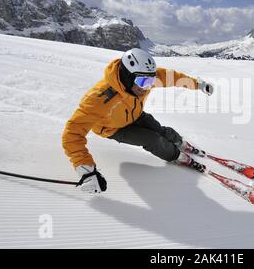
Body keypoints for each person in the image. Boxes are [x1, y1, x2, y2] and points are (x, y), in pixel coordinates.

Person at [62, 48, 214, 194]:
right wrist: (86, 170)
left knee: (158, 129)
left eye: (151, 81)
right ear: (127, 76)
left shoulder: (143, 78)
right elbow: (72, 134)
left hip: (135, 115)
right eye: (143, 82)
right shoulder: (100, 97)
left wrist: (198, 84)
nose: (147, 87)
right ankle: (176, 156)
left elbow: (171, 77)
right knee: (152, 139)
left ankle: (180, 142)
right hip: (114, 128)